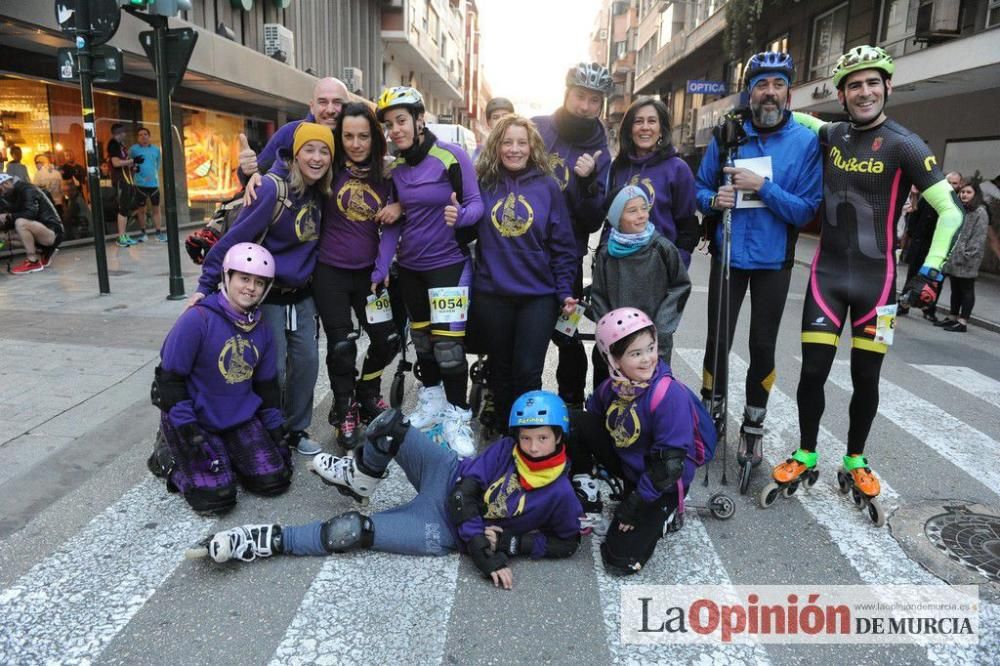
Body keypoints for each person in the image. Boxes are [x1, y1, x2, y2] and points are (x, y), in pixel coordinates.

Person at [778, 46, 965, 520]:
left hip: (877, 286)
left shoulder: (906, 144)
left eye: (872, 83)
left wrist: (930, 270)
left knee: (867, 378)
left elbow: (950, 210)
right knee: (812, 373)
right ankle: (806, 454)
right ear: (842, 94)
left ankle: (855, 459)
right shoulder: (835, 133)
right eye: (854, 85)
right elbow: (799, 120)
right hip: (826, 279)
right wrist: (764, 104)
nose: (864, 92)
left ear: (887, 88)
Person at [188, 392, 583, 591]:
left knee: (350, 532)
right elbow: (465, 492)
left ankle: (265, 540)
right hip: (445, 477)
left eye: (542, 438)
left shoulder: (560, 495)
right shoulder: (505, 450)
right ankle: (359, 476)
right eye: (526, 437)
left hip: (442, 529)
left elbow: (566, 542)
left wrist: (512, 544)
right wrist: (484, 551)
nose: (532, 447)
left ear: (558, 437)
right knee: (388, 424)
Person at [695, 51, 822, 472]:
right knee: (718, 340)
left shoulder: (805, 142)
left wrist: (762, 187)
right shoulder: (727, 133)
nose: (769, 93)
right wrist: (715, 199)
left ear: (789, 91)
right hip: (728, 252)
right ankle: (710, 415)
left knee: (762, 346)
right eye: (761, 85)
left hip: (773, 259)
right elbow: (699, 189)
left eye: (778, 85)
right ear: (749, 90)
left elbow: (805, 211)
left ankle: (753, 425)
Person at [187, 122, 334, 456]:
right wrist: (204, 285)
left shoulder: (321, 192)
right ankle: (270, 427)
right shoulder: (270, 189)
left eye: (324, 151)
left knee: (308, 365)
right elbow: (233, 239)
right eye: (308, 150)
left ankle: (296, 430)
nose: (316, 158)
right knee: (273, 369)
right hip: (268, 296)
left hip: (304, 297)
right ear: (295, 154)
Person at [375, 86, 484, 457]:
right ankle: (433, 402)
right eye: (389, 125)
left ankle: (457, 414)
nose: (396, 130)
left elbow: (475, 204)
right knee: (422, 342)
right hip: (410, 271)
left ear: (420, 119)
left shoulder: (451, 156)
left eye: (401, 121)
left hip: (448, 266)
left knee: (449, 347)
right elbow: (391, 223)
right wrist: (379, 268)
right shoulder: (397, 169)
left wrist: (461, 216)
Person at [566, 308, 713, 575]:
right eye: (635, 354)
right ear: (614, 360)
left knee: (619, 561)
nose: (648, 360)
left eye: (651, 348)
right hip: (631, 459)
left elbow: (668, 468)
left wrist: (634, 506)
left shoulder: (669, 396)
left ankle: (667, 514)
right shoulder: (612, 387)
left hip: (663, 480)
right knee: (571, 421)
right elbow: (592, 423)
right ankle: (585, 491)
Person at [148, 243, 292, 514]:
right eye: (244, 278)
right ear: (227, 277)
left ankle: (226, 450)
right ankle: (166, 459)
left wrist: (275, 429)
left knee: (275, 480)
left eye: (259, 283)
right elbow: (169, 382)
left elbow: (266, 386)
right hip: (193, 418)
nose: (250, 288)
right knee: (217, 497)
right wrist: (187, 428)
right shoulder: (198, 319)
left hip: (236, 418)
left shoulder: (260, 327)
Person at [471, 114, 578, 430]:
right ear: (497, 146)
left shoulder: (548, 187)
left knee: (528, 371)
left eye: (521, 142)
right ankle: (507, 436)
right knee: (500, 370)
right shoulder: (483, 184)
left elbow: (562, 246)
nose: (514, 149)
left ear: (532, 147)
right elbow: (465, 230)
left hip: (538, 297)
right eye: (507, 142)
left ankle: (528, 436)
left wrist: (565, 292)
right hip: (493, 295)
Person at [311, 102, 402, 448]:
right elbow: (293, 153)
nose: (355, 143)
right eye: (347, 136)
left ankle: (368, 390)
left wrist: (400, 206)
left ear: (375, 137)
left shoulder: (389, 173)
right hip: (329, 272)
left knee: (387, 340)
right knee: (341, 345)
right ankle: (345, 406)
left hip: (370, 276)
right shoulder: (328, 167)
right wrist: (252, 173)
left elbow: (395, 227)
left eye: (363, 136)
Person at [532, 63, 613, 409]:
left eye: (594, 100)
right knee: (526, 334)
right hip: (524, 252)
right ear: (566, 93)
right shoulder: (537, 129)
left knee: (567, 334)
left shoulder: (600, 151)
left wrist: (585, 182)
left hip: (568, 258)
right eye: (580, 96)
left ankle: (572, 401)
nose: (585, 106)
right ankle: (521, 398)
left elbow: (594, 220)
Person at [589, 186, 690, 388]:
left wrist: (660, 330)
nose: (641, 215)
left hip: (653, 343)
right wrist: (608, 331)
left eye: (644, 208)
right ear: (617, 218)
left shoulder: (662, 248)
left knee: (652, 395)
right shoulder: (607, 253)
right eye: (632, 210)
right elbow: (599, 295)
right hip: (618, 342)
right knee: (614, 392)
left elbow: (680, 286)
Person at [608, 97, 699, 266]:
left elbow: (687, 226)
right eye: (638, 121)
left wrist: (676, 266)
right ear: (629, 129)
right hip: (619, 265)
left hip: (660, 266)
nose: (645, 127)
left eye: (652, 121)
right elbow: (610, 221)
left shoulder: (678, 169)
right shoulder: (618, 167)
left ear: (661, 129)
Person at [238, 77, 349, 183]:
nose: (330, 110)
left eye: (337, 102)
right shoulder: (289, 133)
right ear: (312, 106)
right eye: (323, 102)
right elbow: (257, 176)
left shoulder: (357, 139)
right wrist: (248, 171)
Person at [897, 171, 962, 320]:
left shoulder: (957, 205)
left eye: (955, 183)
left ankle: (929, 310)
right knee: (912, 276)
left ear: (960, 185)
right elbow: (914, 219)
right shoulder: (930, 198)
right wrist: (913, 240)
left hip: (941, 248)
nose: (951, 186)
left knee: (936, 280)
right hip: (921, 244)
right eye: (949, 182)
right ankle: (904, 304)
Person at [934, 181, 990, 333]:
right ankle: (952, 317)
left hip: (968, 259)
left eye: (968, 192)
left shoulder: (980, 212)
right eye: (963, 192)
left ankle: (962, 321)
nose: (964, 195)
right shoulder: (960, 209)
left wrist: (967, 254)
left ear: (975, 195)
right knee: (955, 288)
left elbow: (979, 237)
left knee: (966, 289)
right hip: (954, 256)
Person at [0, 173, 64, 275]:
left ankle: (33, 261)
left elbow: (29, 214)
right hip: (39, 230)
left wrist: (9, 216)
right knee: (4, 236)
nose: (1, 193)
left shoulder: (27, 189)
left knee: (21, 223)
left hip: (52, 232)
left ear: (6, 183)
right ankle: (44, 252)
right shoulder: (11, 194)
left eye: (0, 189)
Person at [106, 123, 144, 247]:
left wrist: (134, 166)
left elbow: (124, 163)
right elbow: (116, 163)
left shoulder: (121, 146)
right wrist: (133, 160)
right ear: (118, 133)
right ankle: (121, 237)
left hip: (127, 180)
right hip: (120, 181)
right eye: (123, 132)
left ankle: (124, 234)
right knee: (123, 208)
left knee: (126, 208)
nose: (125, 134)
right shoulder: (113, 145)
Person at [129, 127, 166, 241]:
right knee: (142, 210)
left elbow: (158, 164)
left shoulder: (156, 150)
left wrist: (153, 174)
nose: (143, 136)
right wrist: (135, 168)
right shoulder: (133, 149)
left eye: (145, 134)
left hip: (154, 184)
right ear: (137, 138)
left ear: (149, 137)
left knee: (156, 209)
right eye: (140, 135)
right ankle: (143, 233)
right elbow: (129, 164)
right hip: (140, 185)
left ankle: (158, 233)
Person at [60, 176, 92, 241]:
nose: (62, 189)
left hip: (84, 231)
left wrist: (63, 204)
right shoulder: (75, 198)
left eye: (64, 188)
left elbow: (67, 218)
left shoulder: (75, 201)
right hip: (85, 228)